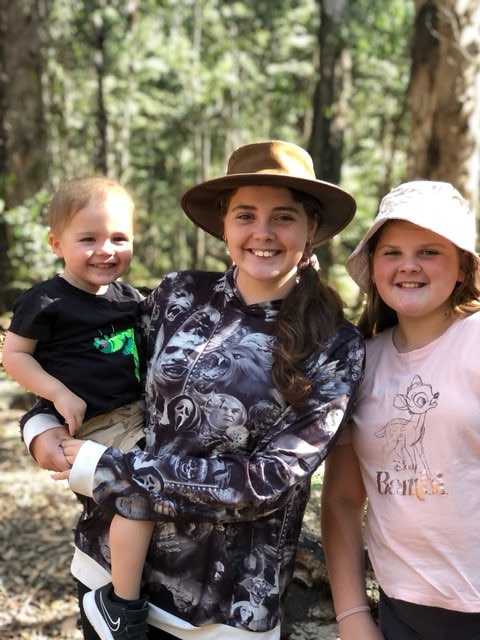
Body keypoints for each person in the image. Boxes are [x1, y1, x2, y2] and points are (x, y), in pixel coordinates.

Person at [40, 140, 364, 640]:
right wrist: (39, 427)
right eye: (246, 215)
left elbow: (266, 481)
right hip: (109, 579)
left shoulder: (336, 345)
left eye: (282, 217)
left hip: (222, 610)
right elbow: (97, 366)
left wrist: (104, 467)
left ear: (312, 228)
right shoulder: (180, 294)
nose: (263, 233)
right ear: (224, 225)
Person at [321, 180, 480, 640]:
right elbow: (343, 500)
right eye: (392, 252)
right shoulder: (360, 361)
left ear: (462, 268)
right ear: (373, 267)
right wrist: (352, 616)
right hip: (402, 612)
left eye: (429, 251)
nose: (408, 266)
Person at [2, 176, 154, 639]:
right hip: (95, 425)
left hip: (137, 414)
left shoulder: (130, 299)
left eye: (118, 238)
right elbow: (13, 354)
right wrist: (56, 395)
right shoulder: (47, 301)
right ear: (56, 244)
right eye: (88, 239)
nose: (105, 250)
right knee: (139, 495)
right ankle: (121, 604)